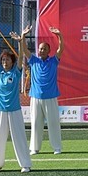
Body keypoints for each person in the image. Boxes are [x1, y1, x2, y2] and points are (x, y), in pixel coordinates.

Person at [0, 30, 32, 174]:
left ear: (12, 61)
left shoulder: (16, 72)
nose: (5, 62)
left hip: (14, 110)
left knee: (19, 137)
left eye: (8, 60)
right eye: (3, 60)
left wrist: (20, 41)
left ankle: (25, 164)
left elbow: (22, 55)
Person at [26, 25, 64, 156]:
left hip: (51, 97)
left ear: (49, 51)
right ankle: (34, 148)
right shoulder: (33, 60)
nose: (41, 50)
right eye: (40, 48)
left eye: (44, 49)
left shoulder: (54, 61)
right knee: (36, 123)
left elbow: (61, 49)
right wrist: (23, 36)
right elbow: (25, 50)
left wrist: (60, 36)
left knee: (53, 123)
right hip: (35, 98)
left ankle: (57, 147)